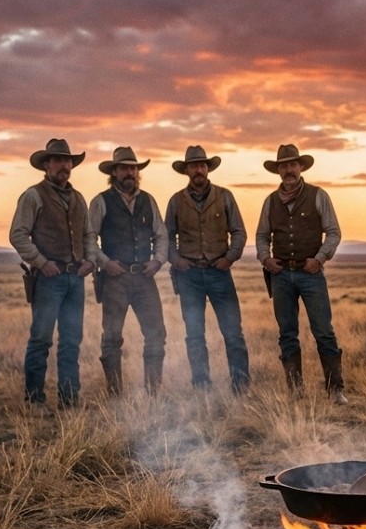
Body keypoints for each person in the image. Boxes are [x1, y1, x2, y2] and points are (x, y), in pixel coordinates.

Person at [255, 144, 349, 405]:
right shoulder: (270, 202)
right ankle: (295, 390)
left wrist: (319, 259)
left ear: (300, 167)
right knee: (287, 333)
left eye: (292, 164)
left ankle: (335, 389)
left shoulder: (318, 195)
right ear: (278, 170)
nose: (288, 169)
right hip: (281, 274)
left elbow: (333, 232)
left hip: (311, 274)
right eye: (283, 165)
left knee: (324, 331)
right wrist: (265, 258)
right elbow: (262, 235)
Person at [9, 138, 95, 407]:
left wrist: (90, 261)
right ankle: (34, 401)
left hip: (75, 279)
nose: (64, 165)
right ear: (47, 165)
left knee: (71, 342)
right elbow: (18, 235)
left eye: (68, 161)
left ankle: (69, 399)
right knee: (41, 340)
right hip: (48, 279)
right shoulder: (33, 195)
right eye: (58, 160)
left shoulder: (79, 198)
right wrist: (41, 262)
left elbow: (89, 235)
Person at [165, 145, 251, 394]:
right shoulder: (176, 201)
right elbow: (166, 237)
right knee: (194, 333)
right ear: (187, 170)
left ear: (207, 168)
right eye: (193, 166)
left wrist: (230, 257)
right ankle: (201, 384)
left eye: (202, 165)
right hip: (188, 275)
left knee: (233, 332)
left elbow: (239, 232)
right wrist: (176, 260)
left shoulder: (225, 196)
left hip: (219, 272)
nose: (198, 170)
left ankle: (241, 385)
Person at [86, 146, 168, 396]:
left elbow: (161, 235)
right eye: (124, 168)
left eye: (133, 168)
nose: (129, 172)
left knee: (156, 334)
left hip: (144, 277)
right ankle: (115, 394)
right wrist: (104, 262)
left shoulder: (148, 200)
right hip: (115, 278)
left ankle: (153, 392)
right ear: (114, 172)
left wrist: (157, 261)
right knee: (111, 338)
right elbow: (89, 239)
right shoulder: (101, 201)